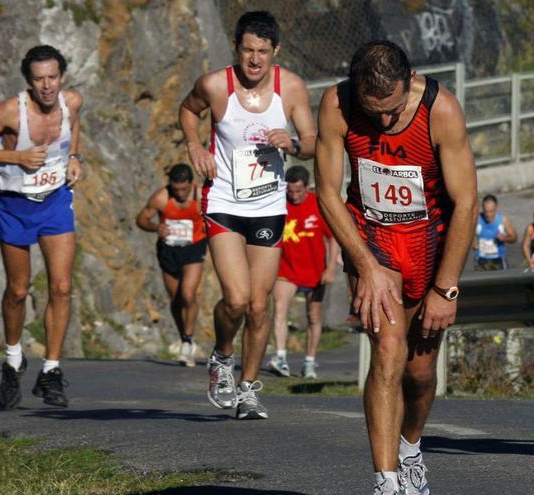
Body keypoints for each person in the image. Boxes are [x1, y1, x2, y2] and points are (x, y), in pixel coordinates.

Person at [315, 41, 478, 495]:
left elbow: (466, 202)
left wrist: (446, 289)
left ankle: (410, 449)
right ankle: (385, 482)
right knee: (388, 351)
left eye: (391, 111)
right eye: (373, 112)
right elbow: (327, 192)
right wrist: (366, 266)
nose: (384, 122)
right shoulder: (336, 104)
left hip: (430, 243)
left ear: (409, 83)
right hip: (370, 240)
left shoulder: (440, 110)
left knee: (420, 372)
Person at [178, 11, 316, 419]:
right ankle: (222, 357)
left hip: (269, 206)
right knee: (236, 300)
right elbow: (188, 112)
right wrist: (194, 148)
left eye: (263, 52)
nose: (254, 60)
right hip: (224, 200)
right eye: (247, 51)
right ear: (236, 47)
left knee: (259, 307)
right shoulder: (215, 86)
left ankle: (249, 389)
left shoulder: (289, 88)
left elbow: (311, 142)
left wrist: (290, 142)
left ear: (276, 51)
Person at [0, 45, 83, 409]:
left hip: (55, 201)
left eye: (52, 77)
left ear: (61, 77)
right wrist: (15, 156)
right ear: (29, 82)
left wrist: (74, 157)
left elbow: (74, 126)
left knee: (61, 286)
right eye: (39, 79)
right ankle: (13, 359)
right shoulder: (11, 111)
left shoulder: (72, 102)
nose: (47, 85)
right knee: (18, 290)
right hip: (15, 205)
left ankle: (51, 371)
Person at [266, 166, 340, 379]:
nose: (294, 196)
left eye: (299, 191)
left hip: (315, 270)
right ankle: (280, 357)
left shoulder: (318, 203)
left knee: (313, 316)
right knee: (280, 309)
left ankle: (309, 362)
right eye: (290, 192)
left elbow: (332, 238)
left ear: (307, 187)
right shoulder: (279, 203)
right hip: (286, 268)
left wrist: (331, 267)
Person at [135, 164, 207, 367]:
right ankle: (184, 336)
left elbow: (218, 217)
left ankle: (189, 339)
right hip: (168, 250)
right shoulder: (161, 198)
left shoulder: (201, 196)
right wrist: (156, 226)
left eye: (184, 189)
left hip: (194, 247)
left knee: (188, 293)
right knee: (176, 299)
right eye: (176, 189)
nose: (180, 193)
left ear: (191, 184)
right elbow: (141, 219)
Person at [473, 194, 517, 270]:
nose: (488, 215)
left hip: (498, 259)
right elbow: (467, 236)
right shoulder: (477, 219)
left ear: (496, 208)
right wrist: (473, 242)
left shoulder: (503, 220)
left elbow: (514, 238)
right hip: (481, 259)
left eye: (491, 211)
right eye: (486, 211)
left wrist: (505, 238)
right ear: (482, 208)